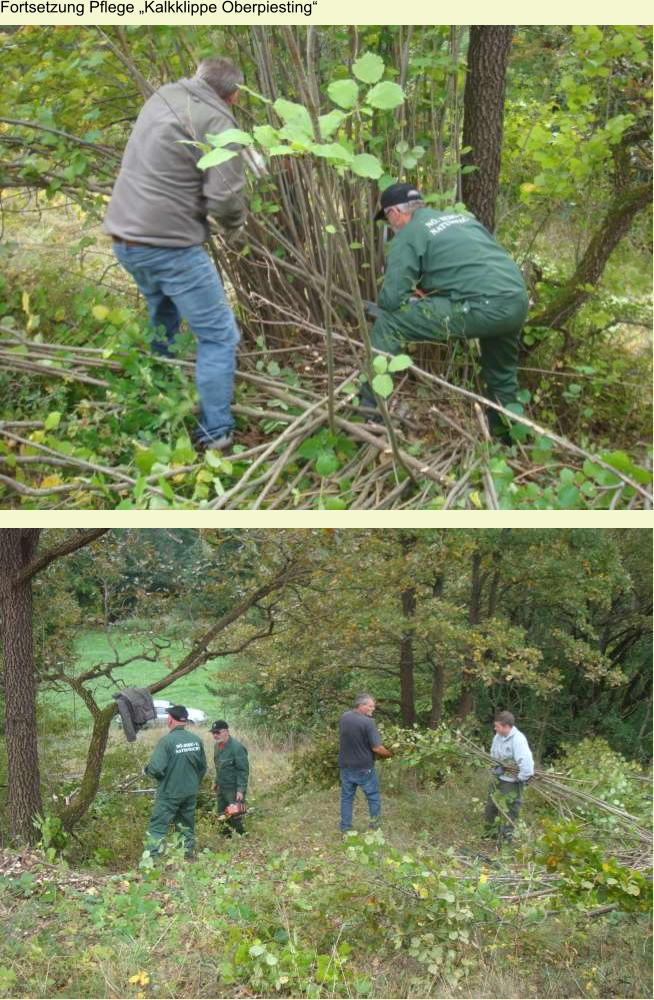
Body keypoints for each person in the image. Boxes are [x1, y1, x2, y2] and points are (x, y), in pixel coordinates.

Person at [104, 57, 248, 452]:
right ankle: (217, 431)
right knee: (219, 336)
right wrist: (236, 227)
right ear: (233, 95)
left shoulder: (164, 96)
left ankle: (161, 398)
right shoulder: (221, 122)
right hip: (169, 247)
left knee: (163, 317)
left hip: (124, 238)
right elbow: (225, 198)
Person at [364, 183, 530, 441]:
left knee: (390, 324)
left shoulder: (409, 234)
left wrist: (413, 297)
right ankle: (509, 442)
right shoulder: (461, 221)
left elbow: (391, 299)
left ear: (395, 212)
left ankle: (368, 414)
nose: (390, 226)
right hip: (515, 302)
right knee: (501, 377)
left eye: (387, 219)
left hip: (481, 306)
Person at [143, 705, 208, 860]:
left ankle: (151, 861)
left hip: (169, 793)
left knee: (158, 827)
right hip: (189, 793)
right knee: (185, 826)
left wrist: (147, 770)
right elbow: (202, 767)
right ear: (184, 720)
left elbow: (156, 769)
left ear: (171, 720)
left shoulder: (166, 741)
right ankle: (186, 858)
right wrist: (193, 784)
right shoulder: (196, 740)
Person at [338, 693, 392, 834]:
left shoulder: (344, 717)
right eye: (370, 706)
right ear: (361, 705)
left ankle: (345, 829)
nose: (373, 709)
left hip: (345, 767)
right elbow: (377, 748)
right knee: (373, 798)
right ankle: (374, 829)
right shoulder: (368, 722)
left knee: (347, 799)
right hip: (364, 769)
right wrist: (390, 754)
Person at [484, 710, 534, 844]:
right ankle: (490, 834)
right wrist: (496, 767)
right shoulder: (497, 737)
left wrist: (520, 778)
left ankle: (506, 840)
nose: (495, 728)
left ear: (506, 726)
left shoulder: (518, 740)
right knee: (491, 806)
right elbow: (493, 754)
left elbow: (527, 764)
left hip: (512, 781)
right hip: (498, 777)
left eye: (497, 726)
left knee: (509, 810)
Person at [210, 719, 249, 836]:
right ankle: (225, 837)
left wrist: (240, 790)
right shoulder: (217, 746)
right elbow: (219, 767)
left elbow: (243, 770)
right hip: (222, 787)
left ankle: (242, 839)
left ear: (226, 731)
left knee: (235, 814)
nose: (215, 735)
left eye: (218, 732)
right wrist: (216, 782)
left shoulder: (237, 747)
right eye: (213, 733)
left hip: (233, 788)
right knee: (221, 813)